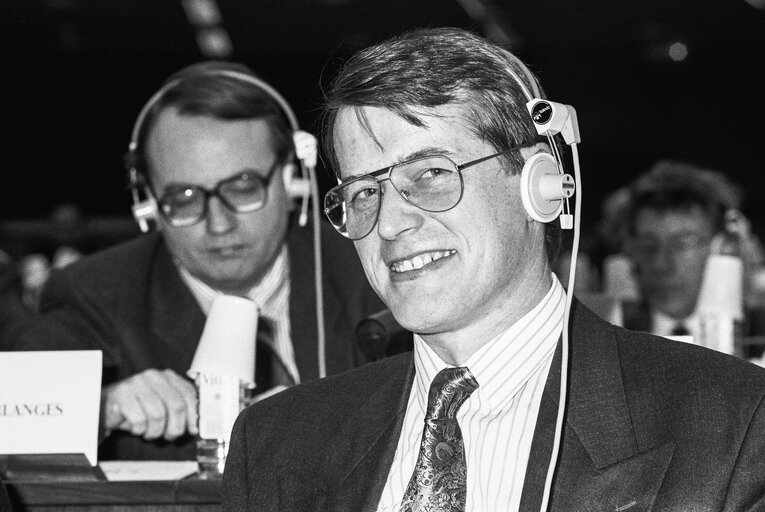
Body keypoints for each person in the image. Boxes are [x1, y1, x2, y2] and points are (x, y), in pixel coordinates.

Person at [222, 27, 765, 511]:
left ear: (539, 186)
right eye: (363, 192)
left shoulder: (732, 426)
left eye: (431, 173)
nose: (388, 223)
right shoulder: (274, 445)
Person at [13, 61, 384, 461]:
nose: (218, 224)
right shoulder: (92, 296)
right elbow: (15, 421)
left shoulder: (370, 269)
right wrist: (102, 407)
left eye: (243, 187)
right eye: (185, 198)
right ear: (147, 201)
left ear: (292, 177)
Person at [610, 160, 765, 346]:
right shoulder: (612, 337)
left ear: (723, 248)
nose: (661, 264)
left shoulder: (758, 336)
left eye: (683, 244)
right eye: (647, 245)